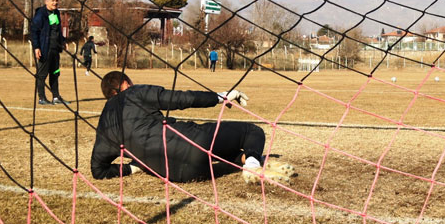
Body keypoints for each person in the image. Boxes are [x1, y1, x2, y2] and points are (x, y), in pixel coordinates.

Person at [90, 70, 294, 184]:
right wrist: (219, 97)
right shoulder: (134, 93)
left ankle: (246, 159)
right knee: (252, 132)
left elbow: (97, 170)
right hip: (191, 143)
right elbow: (180, 98)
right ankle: (252, 166)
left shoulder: (104, 124)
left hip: (180, 175)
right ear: (126, 83)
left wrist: (133, 167)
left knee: (225, 155)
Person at [30, 0, 66, 105]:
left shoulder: (56, 13)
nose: (55, 3)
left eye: (56, 1)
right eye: (52, 1)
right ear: (46, 1)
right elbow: (34, 31)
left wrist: (62, 41)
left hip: (55, 49)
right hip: (45, 49)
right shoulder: (41, 14)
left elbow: (57, 30)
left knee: (55, 73)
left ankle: (56, 97)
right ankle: (42, 98)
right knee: (42, 74)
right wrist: (36, 47)